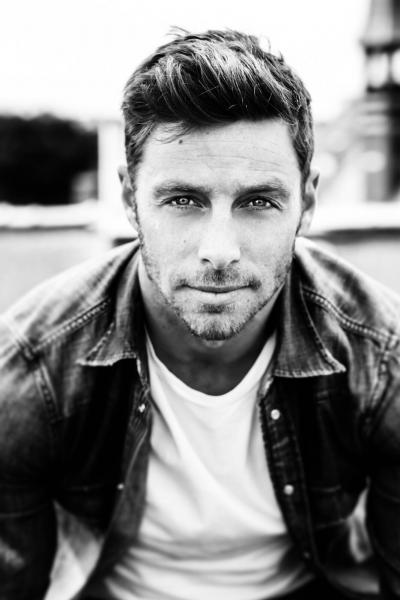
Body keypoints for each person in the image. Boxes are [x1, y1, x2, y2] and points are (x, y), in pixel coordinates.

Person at [1, 28, 400, 600]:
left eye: (258, 201)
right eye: (182, 200)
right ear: (129, 198)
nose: (220, 251)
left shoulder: (381, 356)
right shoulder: (32, 366)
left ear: (307, 201)